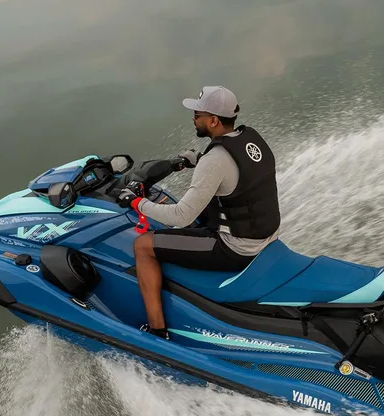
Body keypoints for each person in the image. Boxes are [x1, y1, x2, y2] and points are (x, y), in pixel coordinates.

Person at [116, 86, 281, 339]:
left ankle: (157, 331)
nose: (193, 118)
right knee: (190, 223)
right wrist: (197, 159)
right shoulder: (250, 140)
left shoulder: (214, 161)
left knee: (143, 245)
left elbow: (181, 215)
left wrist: (135, 202)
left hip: (236, 249)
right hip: (265, 237)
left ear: (213, 120)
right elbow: (236, 178)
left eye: (198, 114)